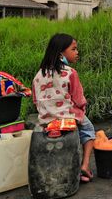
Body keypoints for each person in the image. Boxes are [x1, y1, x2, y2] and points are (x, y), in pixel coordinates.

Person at [32, 33, 95, 183]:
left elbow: (35, 100)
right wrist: (81, 111)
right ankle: (85, 165)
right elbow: (79, 100)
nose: (77, 52)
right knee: (89, 131)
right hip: (68, 117)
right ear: (61, 53)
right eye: (73, 49)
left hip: (46, 120)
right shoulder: (70, 73)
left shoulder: (38, 75)